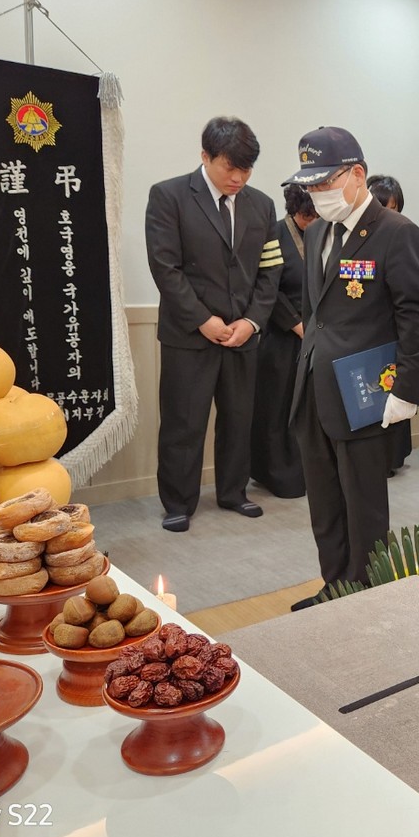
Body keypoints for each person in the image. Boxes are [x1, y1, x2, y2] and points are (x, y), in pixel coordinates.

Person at [284, 128, 419, 608]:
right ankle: (335, 587)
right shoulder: (317, 231)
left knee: (363, 505)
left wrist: (407, 390)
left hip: (366, 394)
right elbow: (314, 312)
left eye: (325, 183)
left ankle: (366, 598)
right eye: (310, 186)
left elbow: (417, 317)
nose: (318, 194)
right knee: (324, 502)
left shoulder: (396, 232)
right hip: (314, 388)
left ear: (356, 175)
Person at [145, 116, 281, 532]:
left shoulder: (262, 205)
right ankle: (178, 502)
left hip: (242, 335)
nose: (239, 178)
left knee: (239, 419)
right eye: (230, 167)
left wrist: (252, 322)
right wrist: (203, 319)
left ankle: (234, 492)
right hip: (190, 335)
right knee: (184, 423)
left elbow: (270, 269)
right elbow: (165, 267)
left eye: (247, 169)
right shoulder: (169, 196)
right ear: (205, 156)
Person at [249, 184, 315, 499]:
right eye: (307, 216)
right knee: (276, 407)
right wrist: (295, 324)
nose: (313, 222)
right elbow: (267, 288)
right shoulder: (274, 233)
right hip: (280, 336)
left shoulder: (325, 234)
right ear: (295, 211)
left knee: (306, 409)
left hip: (315, 334)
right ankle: (274, 475)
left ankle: (303, 473)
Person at [367, 173, 413, 473]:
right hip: (365, 337)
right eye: (382, 206)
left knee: (391, 394)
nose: (387, 213)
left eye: (393, 207)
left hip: (393, 334)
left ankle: (391, 459)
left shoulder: (404, 235)